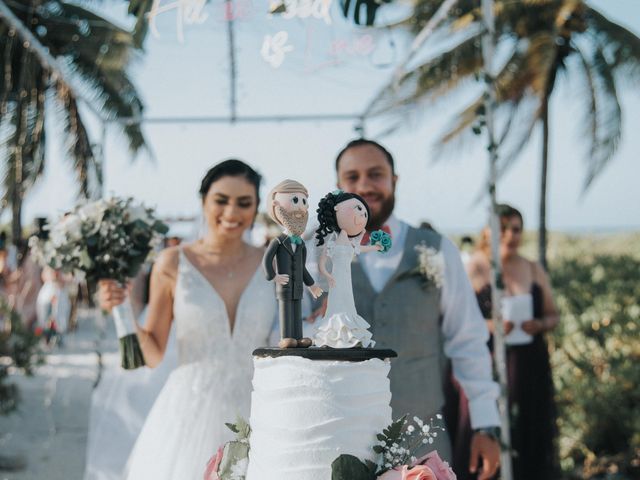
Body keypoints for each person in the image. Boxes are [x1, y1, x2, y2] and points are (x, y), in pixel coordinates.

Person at [332, 138, 502, 480]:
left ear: (395, 180)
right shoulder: (317, 253)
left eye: (376, 174)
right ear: (339, 187)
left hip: (423, 440)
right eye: (352, 177)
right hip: (339, 437)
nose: (364, 185)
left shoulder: (437, 251)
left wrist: (486, 425)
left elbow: (467, 339)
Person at [98, 159, 278, 479]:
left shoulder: (274, 263)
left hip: (262, 411)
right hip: (190, 410)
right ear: (203, 202)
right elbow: (153, 353)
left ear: (255, 207)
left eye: (244, 203)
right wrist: (121, 309)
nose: (232, 213)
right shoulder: (172, 262)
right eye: (221, 200)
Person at [461, 204, 559, 480]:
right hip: (488, 362)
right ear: (487, 231)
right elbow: (456, 322)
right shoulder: (474, 268)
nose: (510, 235)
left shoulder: (532, 267)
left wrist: (538, 324)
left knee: (529, 432)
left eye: (516, 228)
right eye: (503, 228)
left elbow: (553, 315)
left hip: (530, 363)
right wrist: (492, 326)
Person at [313, 190, 381, 348]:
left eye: (365, 213)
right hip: (336, 277)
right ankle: (334, 335)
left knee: (347, 301)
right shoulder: (332, 241)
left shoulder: (352, 243)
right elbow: (322, 262)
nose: (362, 215)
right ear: (336, 209)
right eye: (358, 209)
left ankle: (349, 333)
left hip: (345, 277)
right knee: (336, 302)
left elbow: (361, 248)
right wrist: (326, 274)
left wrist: (375, 247)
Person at [263, 180, 323, 348]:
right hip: (284, 285)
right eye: (295, 201)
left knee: (297, 312)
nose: (300, 207)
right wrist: (273, 276)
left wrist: (312, 285)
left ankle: (298, 337)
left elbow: (302, 268)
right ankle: (286, 336)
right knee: (286, 311)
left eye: (304, 202)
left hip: (297, 286)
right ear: (276, 206)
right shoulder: (278, 241)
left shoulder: (301, 244)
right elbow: (267, 260)